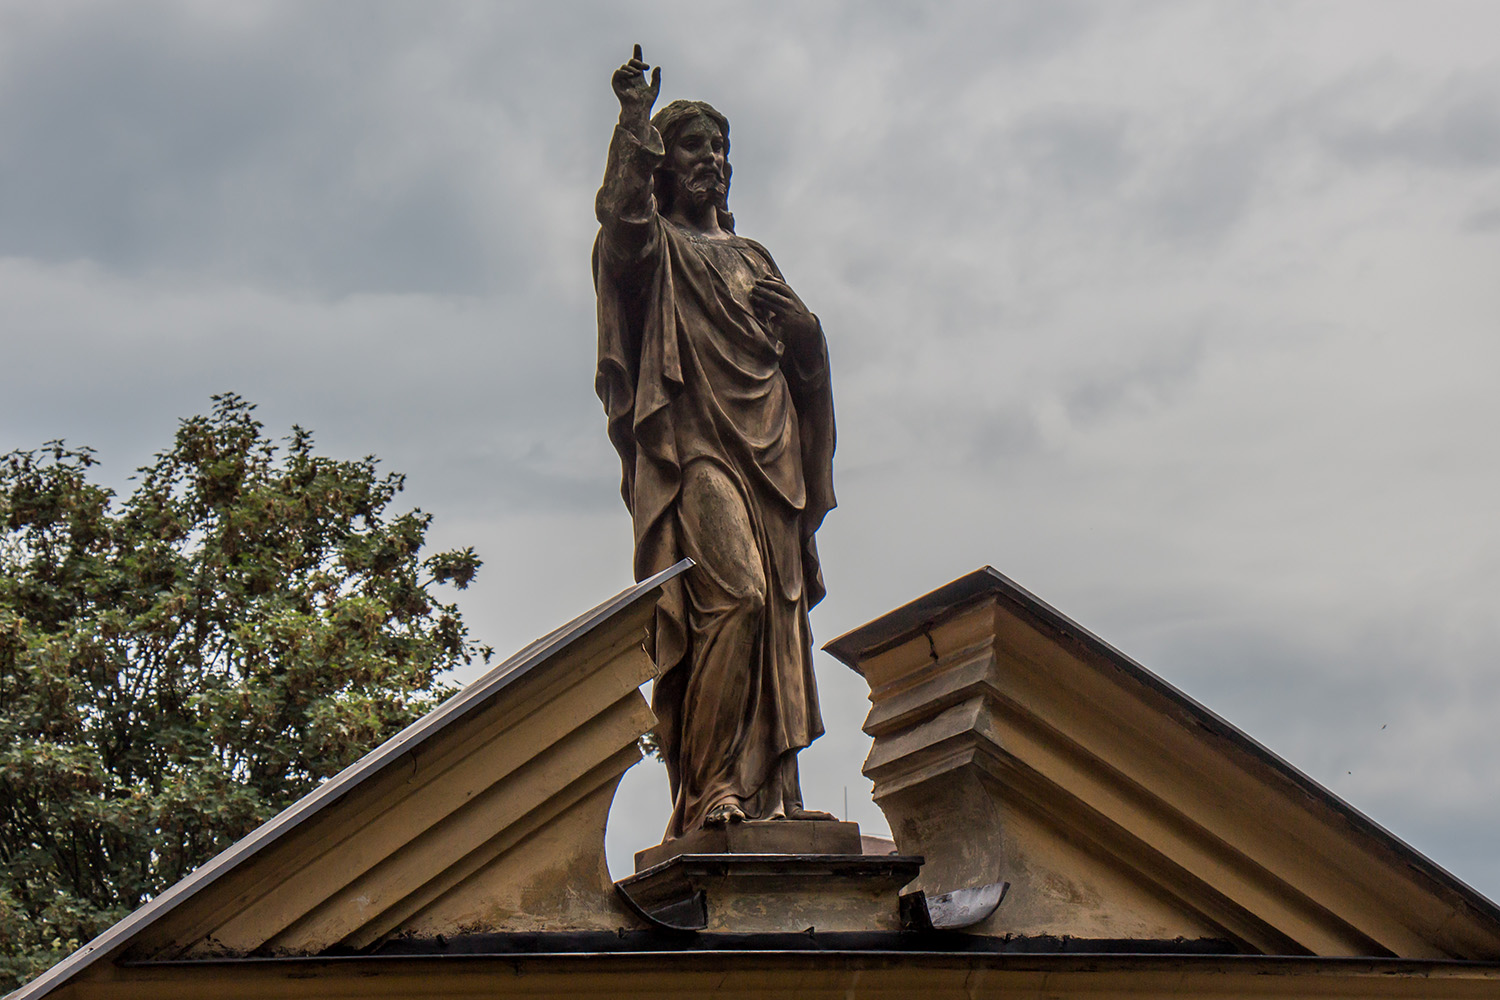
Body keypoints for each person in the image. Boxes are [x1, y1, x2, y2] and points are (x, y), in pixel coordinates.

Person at [593, 45, 837, 838]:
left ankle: (770, 793)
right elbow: (622, 227)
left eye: (721, 147)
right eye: (695, 146)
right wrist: (635, 122)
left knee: (778, 622)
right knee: (738, 598)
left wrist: (808, 336)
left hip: (774, 454)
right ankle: (709, 789)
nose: (713, 159)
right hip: (697, 448)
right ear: (667, 164)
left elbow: (798, 364)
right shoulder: (659, 246)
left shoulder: (753, 256)